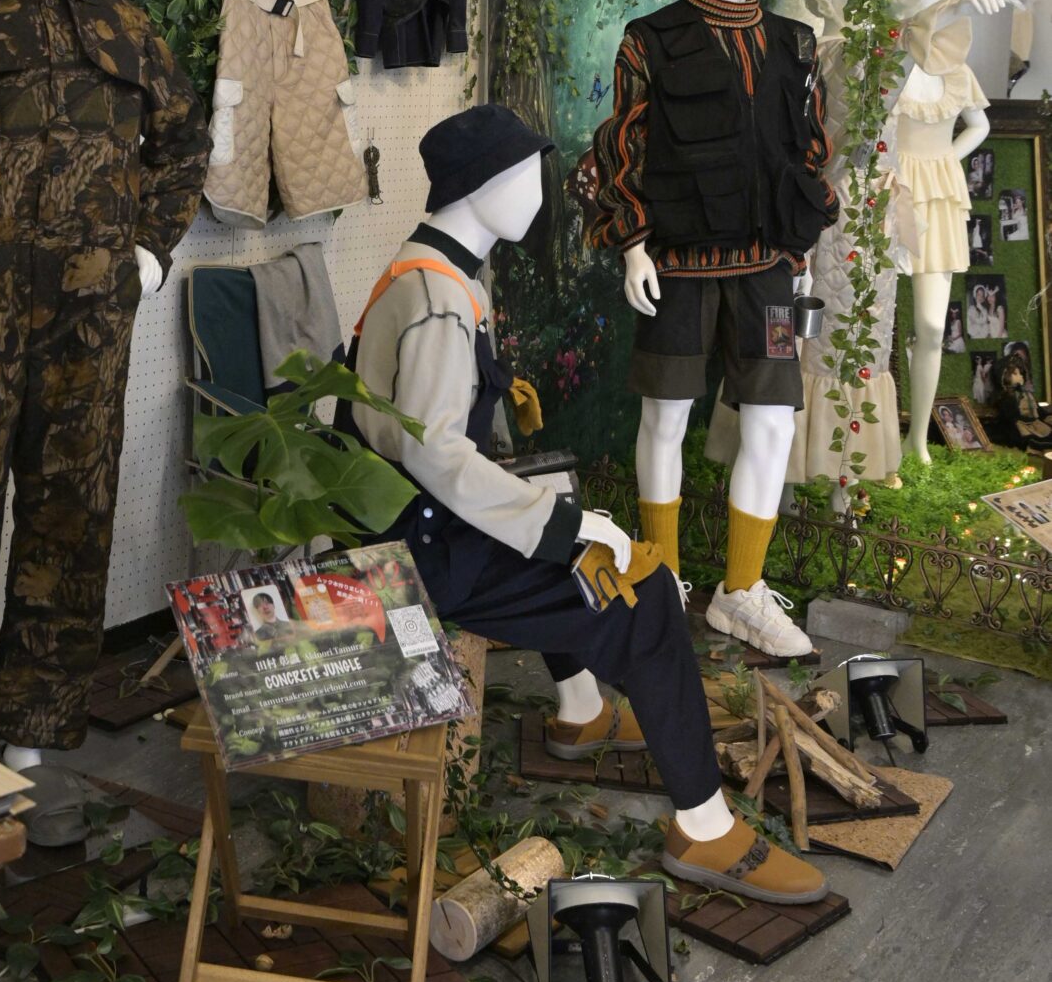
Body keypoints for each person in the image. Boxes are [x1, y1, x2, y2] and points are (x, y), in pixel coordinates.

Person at [339, 103, 829, 909]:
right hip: (421, 553)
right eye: (525, 177)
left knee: (568, 531)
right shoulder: (437, 297)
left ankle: (579, 709)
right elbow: (433, 455)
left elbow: (414, 420)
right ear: (479, 186)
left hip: (421, 522)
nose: (540, 194)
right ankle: (704, 827)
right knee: (643, 595)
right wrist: (565, 529)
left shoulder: (434, 268)